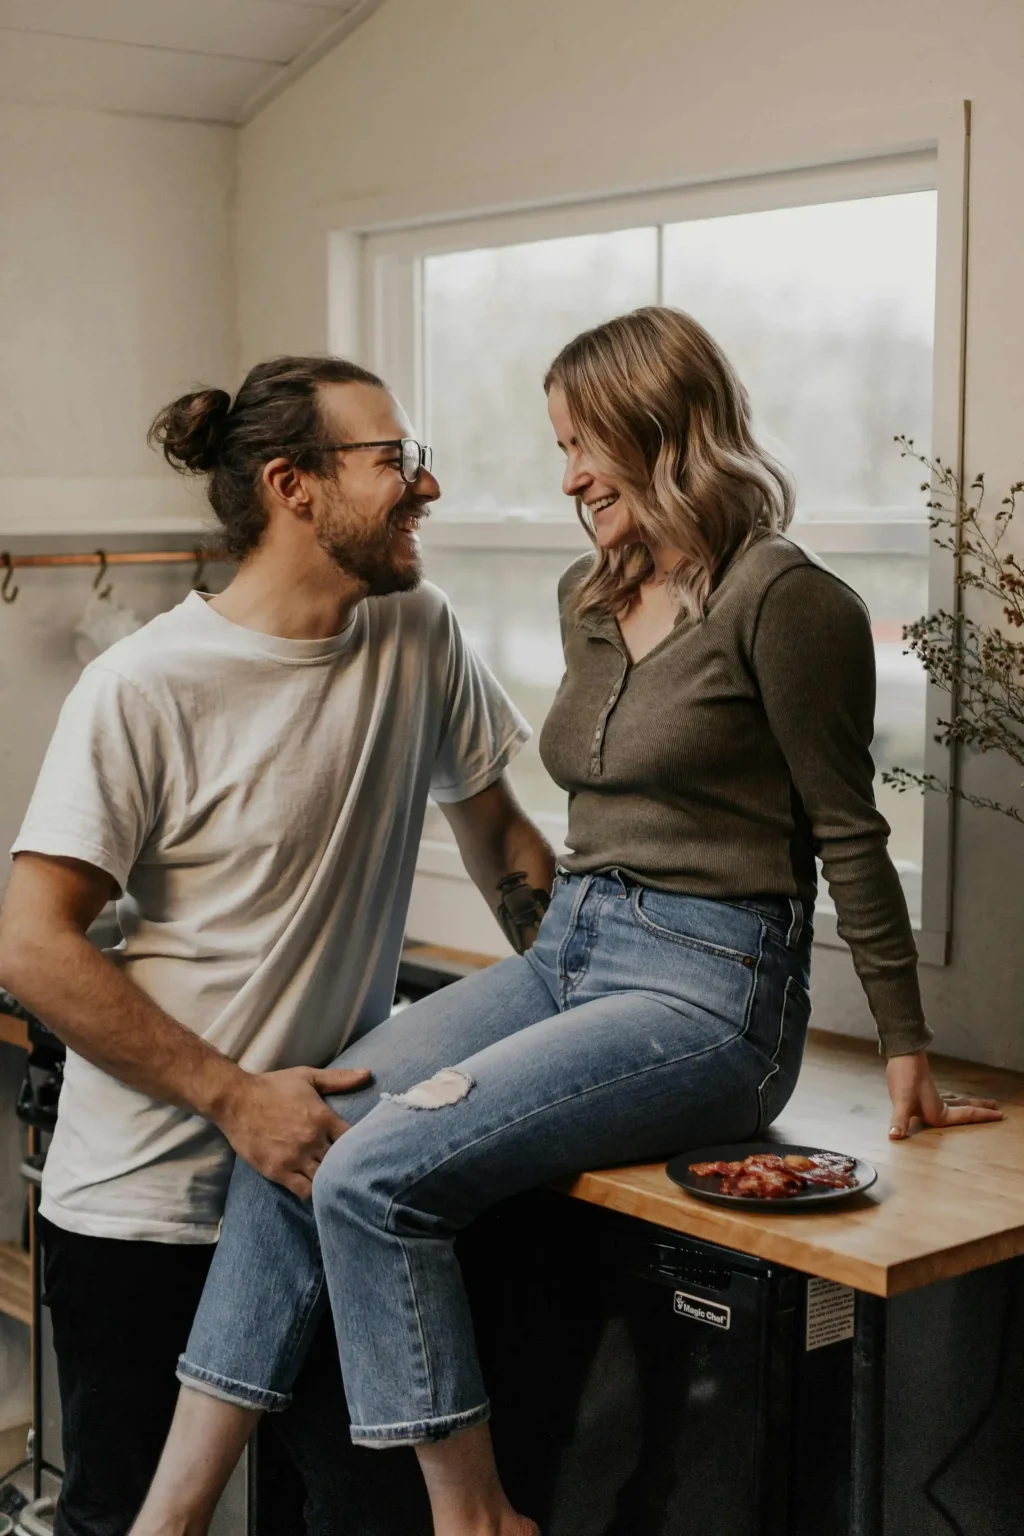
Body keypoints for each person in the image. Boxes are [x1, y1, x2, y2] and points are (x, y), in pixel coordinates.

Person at [126, 307, 1002, 1536]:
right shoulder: (588, 594)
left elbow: (848, 832)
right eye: (563, 444)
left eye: (586, 441)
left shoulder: (784, 599)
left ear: (664, 430)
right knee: (298, 1126)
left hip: (711, 994)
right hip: (571, 954)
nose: (571, 473)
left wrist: (905, 1050)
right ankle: (168, 1521)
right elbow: (571, 834)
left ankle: (476, 1520)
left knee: (375, 1178)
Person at [0, 355, 553, 1536]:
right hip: (146, 1202)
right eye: (393, 460)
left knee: (357, 1514)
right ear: (293, 484)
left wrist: (615, 988)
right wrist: (233, 1095)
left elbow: (506, 844)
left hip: (324, 1190)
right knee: (122, 1517)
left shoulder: (419, 631)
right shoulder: (143, 685)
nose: (427, 485)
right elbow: (31, 947)